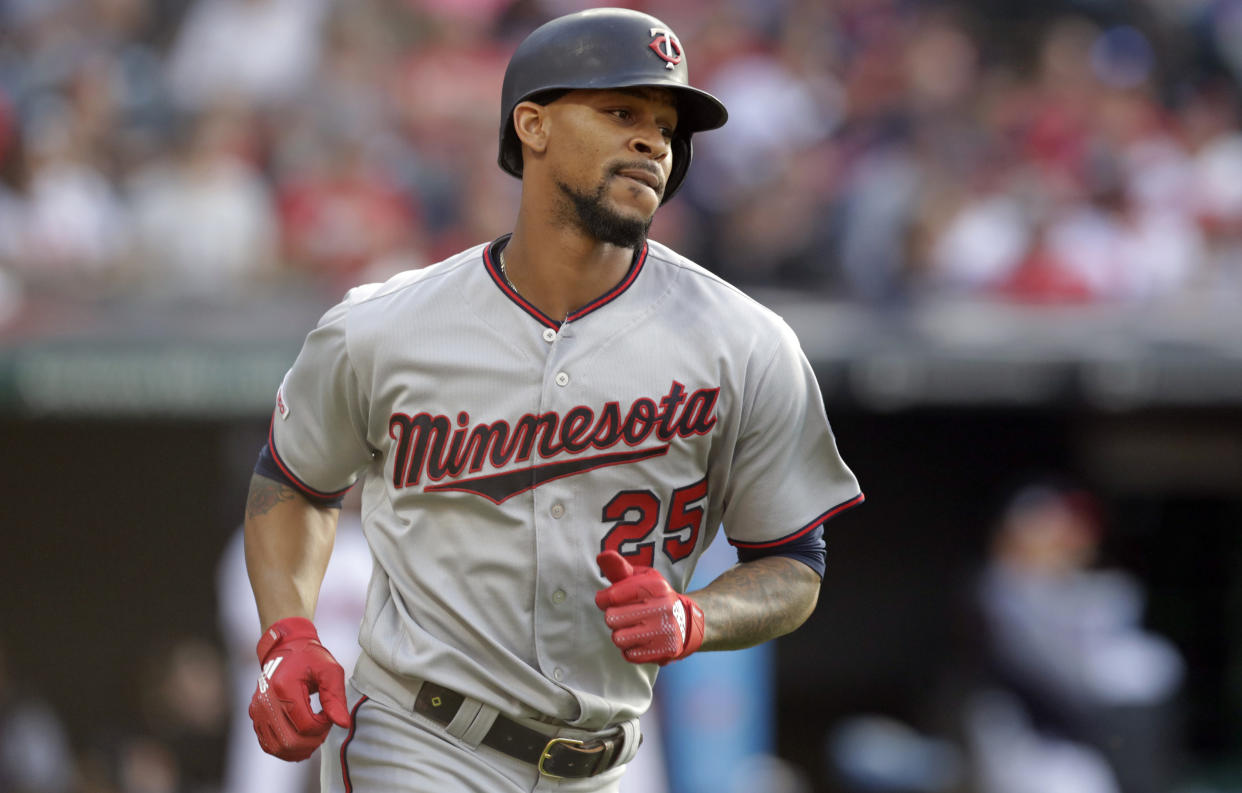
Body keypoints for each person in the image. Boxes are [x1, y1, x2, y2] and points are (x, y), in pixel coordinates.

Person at [240, 8, 863, 793]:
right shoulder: (384, 326)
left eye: (667, 126)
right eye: (621, 112)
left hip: (607, 760)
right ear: (531, 125)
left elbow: (793, 564)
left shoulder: (745, 342)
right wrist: (288, 633)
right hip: (422, 738)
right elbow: (294, 482)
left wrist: (699, 616)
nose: (653, 143)